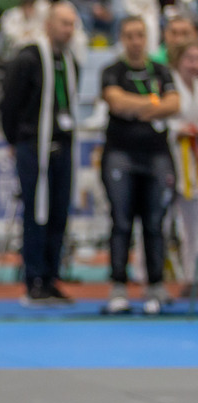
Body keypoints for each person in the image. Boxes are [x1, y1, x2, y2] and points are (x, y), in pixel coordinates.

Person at [0, 2, 81, 306]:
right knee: (36, 212)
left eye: (72, 24)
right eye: (63, 23)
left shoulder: (71, 61)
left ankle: (51, 277)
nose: (68, 30)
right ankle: (33, 278)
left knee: (59, 213)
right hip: (33, 146)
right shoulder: (29, 58)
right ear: (48, 24)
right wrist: (14, 140)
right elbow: (9, 104)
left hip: (63, 146)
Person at [100, 15, 180, 314]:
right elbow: (115, 101)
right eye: (130, 35)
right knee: (121, 221)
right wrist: (152, 103)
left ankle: (156, 286)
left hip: (157, 156)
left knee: (154, 224)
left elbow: (174, 105)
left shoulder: (160, 70)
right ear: (122, 37)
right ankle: (118, 287)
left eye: (140, 35)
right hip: (120, 154)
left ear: (147, 38)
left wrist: (138, 106)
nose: (135, 41)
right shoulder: (113, 71)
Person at [169, 39, 198, 297]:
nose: (195, 65)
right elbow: (157, 116)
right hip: (167, 159)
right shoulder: (167, 85)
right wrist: (179, 130)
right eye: (190, 59)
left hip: (194, 163)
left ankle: (191, 277)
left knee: (193, 225)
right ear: (178, 61)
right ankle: (149, 278)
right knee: (158, 220)